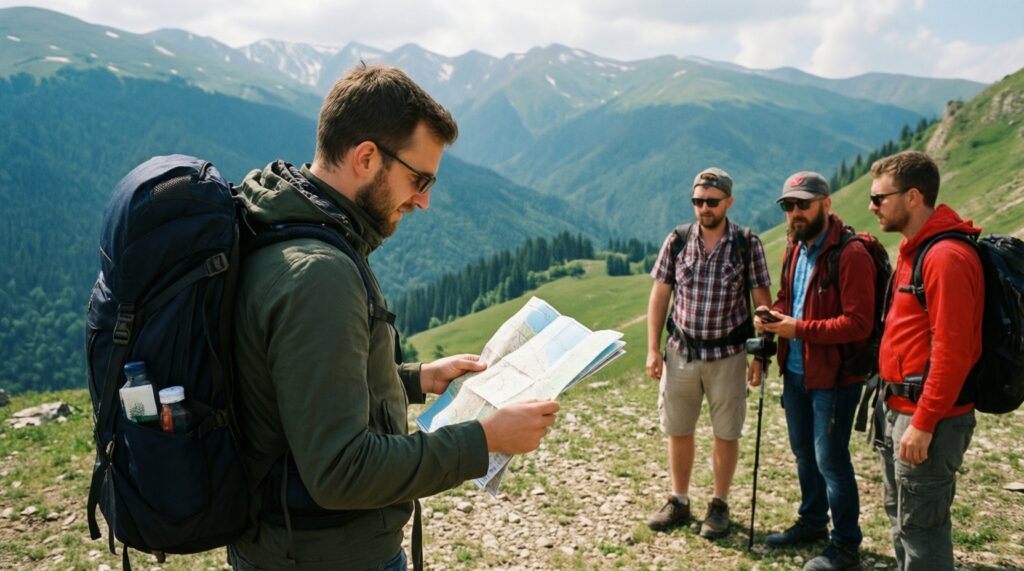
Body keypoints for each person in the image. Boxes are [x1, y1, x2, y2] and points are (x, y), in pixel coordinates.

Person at [227, 64, 560, 571]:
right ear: (366, 157)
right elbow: (340, 471)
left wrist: (415, 379)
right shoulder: (319, 274)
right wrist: (485, 439)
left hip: (290, 546)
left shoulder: (280, 224)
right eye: (419, 179)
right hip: (329, 557)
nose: (423, 201)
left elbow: (296, 387)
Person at [756, 172, 876, 571]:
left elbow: (859, 323)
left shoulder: (851, 254)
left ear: (826, 203)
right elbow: (788, 299)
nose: (795, 212)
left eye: (803, 204)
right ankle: (812, 522)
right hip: (795, 374)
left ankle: (846, 545)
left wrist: (798, 329)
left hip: (835, 380)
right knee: (804, 454)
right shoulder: (794, 247)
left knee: (831, 461)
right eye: (788, 205)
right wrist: (772, 316)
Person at [868, 151, 982, 570]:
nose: (872, 207)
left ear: (913, 197)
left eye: (879, 198)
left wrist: (924, 422)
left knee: (922, 531)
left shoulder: (945, 257)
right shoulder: (913, 250)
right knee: (902, 519)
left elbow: (954, 352)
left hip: (927, 418)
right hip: (899, 409)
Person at [645, 167, 772, 539]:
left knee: (726, 432)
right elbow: (659, 296)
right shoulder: (678, 240)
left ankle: (719, 505)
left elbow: (763, 304)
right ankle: (679, 500)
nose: (704, 208)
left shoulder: (747, 243)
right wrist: (652, 349)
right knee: (678, 429)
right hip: (680, 352)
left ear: (728, 202)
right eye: (698, 201)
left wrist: (761, 357)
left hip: (729, 355)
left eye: (712, 202)